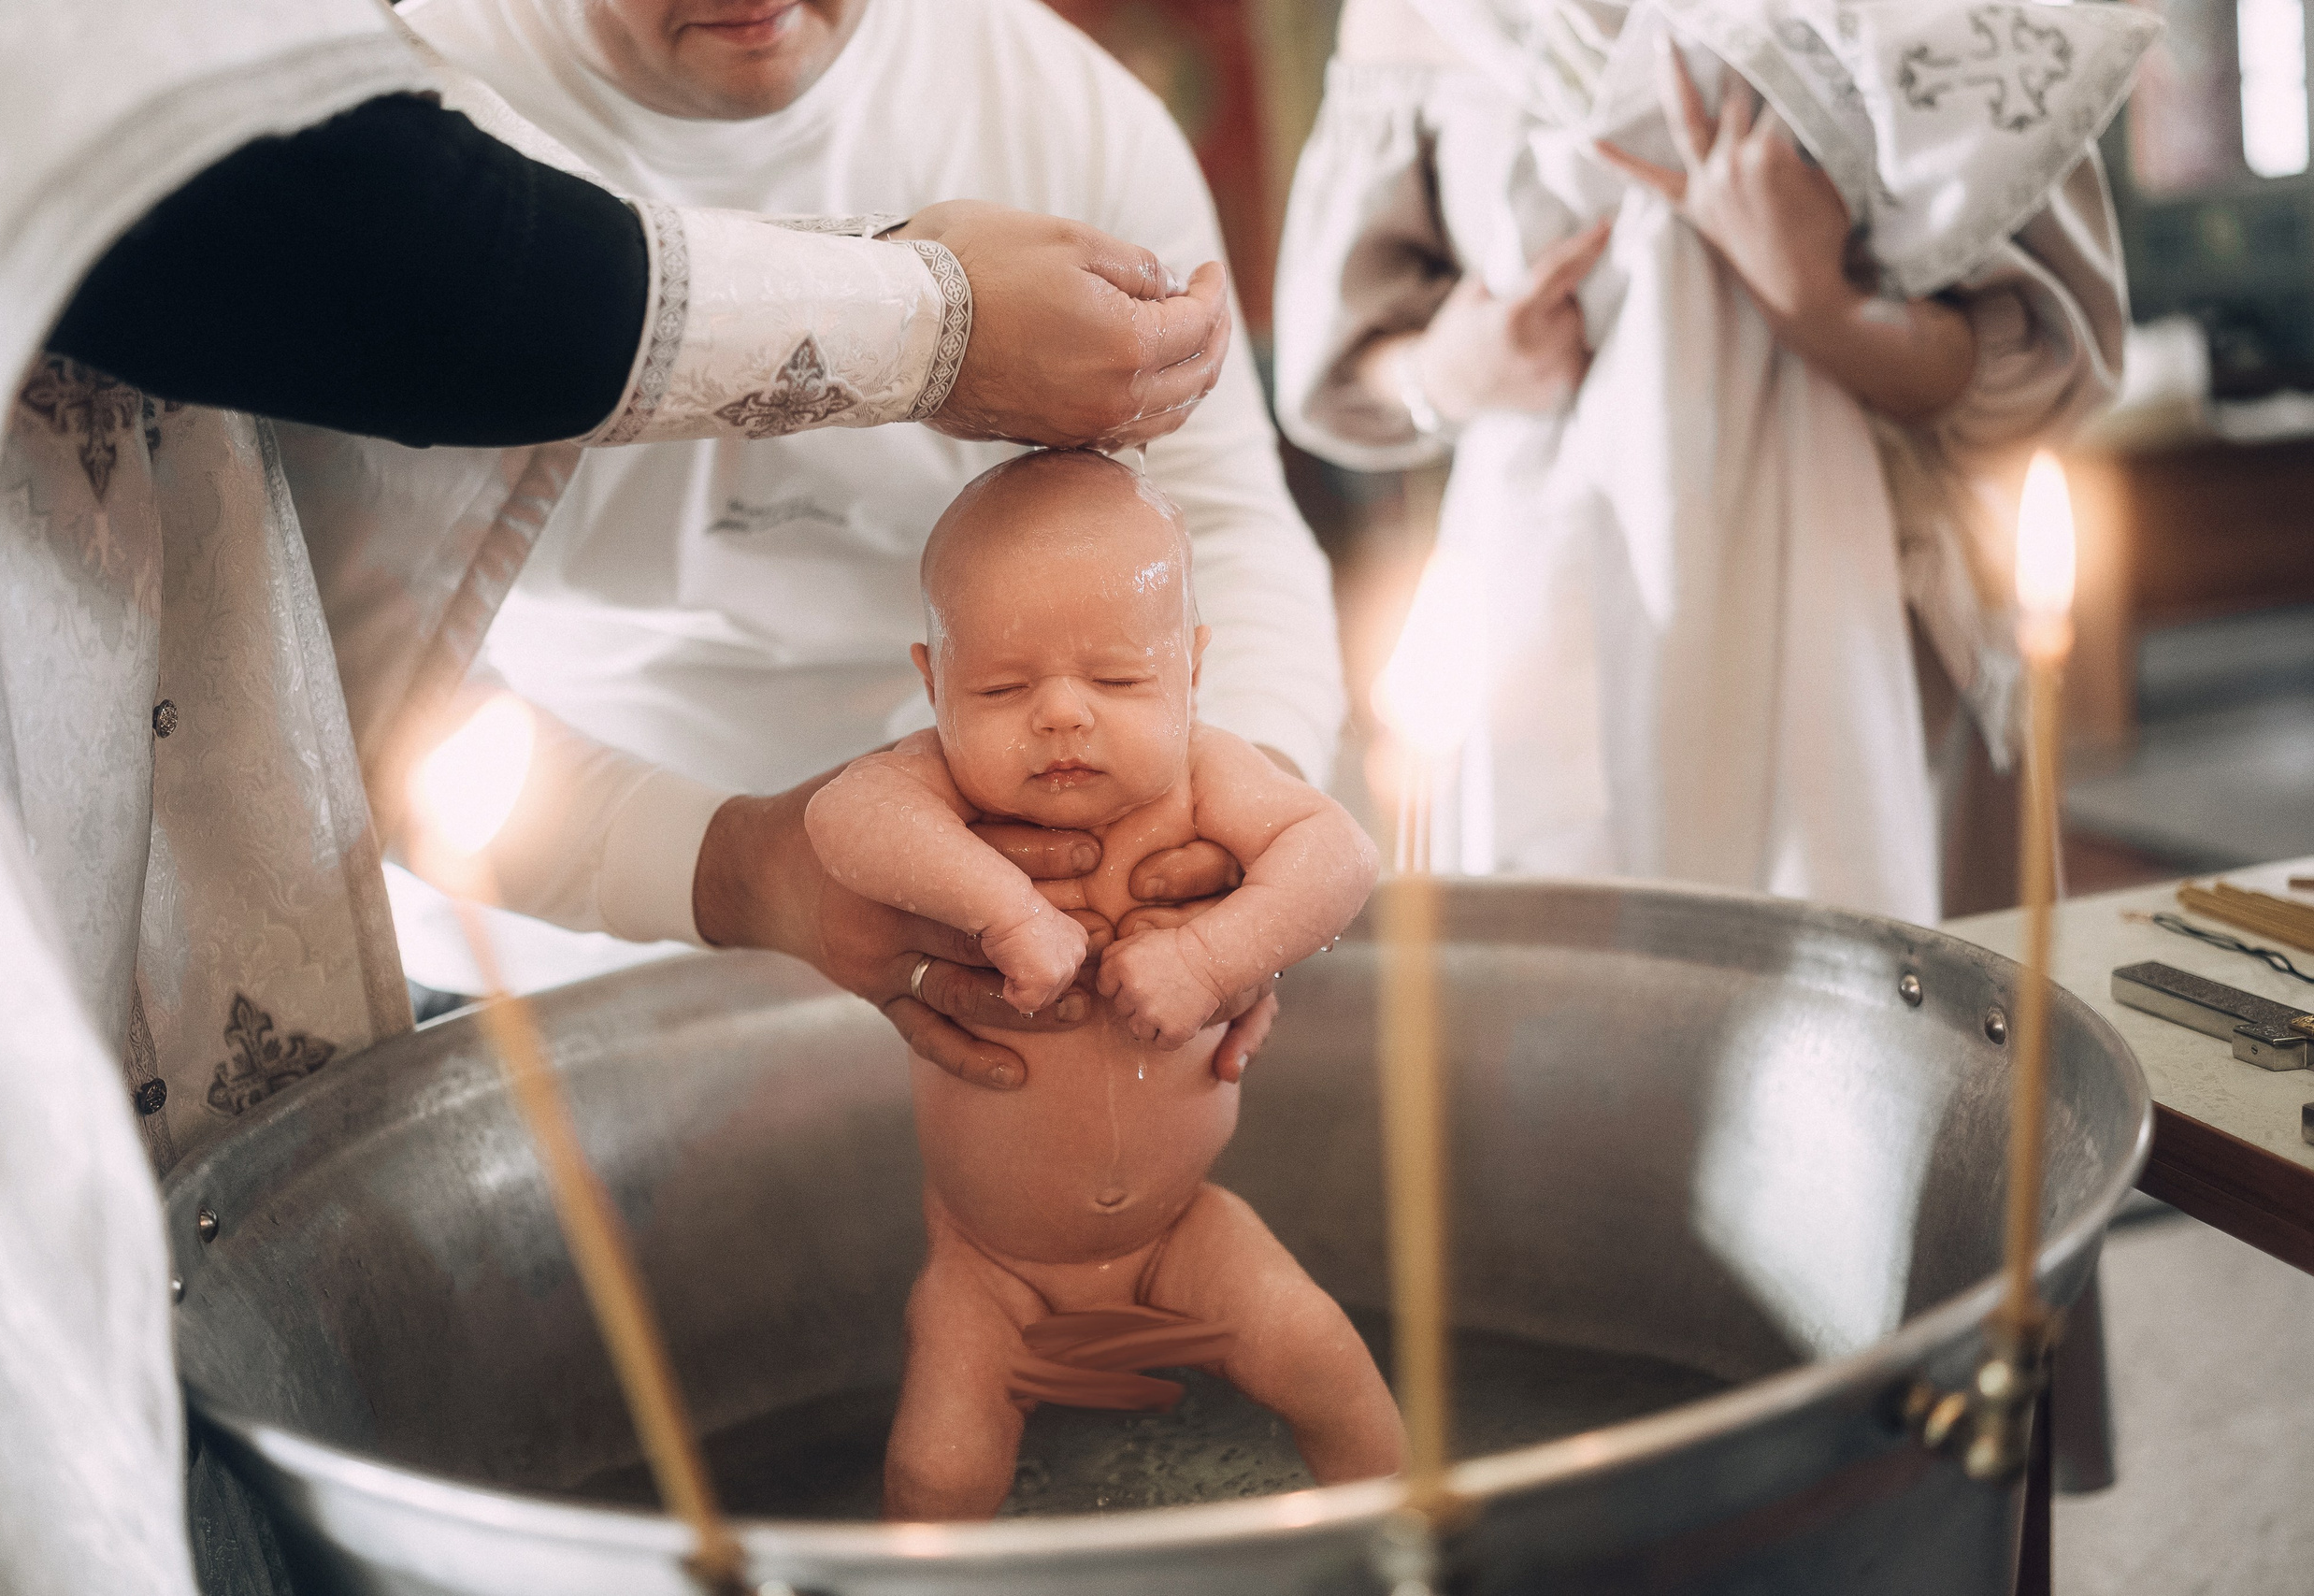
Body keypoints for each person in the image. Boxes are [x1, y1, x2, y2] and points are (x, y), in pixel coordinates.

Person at [0, 1, 1230, 1587]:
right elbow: (338, 249)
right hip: (476, 959)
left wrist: (1209, 857)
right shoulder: (434, 93)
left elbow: (1230, 534)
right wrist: (927, 317)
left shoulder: (1051, 101)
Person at [364, 0, 1345, 1090]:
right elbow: (341, 681)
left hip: (1029, 935)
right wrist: (732, 870)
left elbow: (1220, 519)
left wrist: (1226, 833)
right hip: (533, 950)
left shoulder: (1058, 110)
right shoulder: (406, 115)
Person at [1273, 0, 2148, 922]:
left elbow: (2049, 359)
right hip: (1544, 613)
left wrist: (1822, 307)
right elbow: (1338, 358)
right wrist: (1453, 367)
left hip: (1869, 628)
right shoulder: (1412, 17)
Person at [803, 451, 1401, 1518]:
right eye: (1001, 686)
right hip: (992, 1268)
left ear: (1190, 671)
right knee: (941, 1469)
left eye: (1118, 679)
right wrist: (1008, 910)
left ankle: (1411, 1548)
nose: (1063, 715)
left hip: (1181, 1234)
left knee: (1324, 1361)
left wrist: (1222, 953)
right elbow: (841, 820)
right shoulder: (936, 789)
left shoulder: (1207, 774)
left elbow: (1340, 855)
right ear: (934, 683)